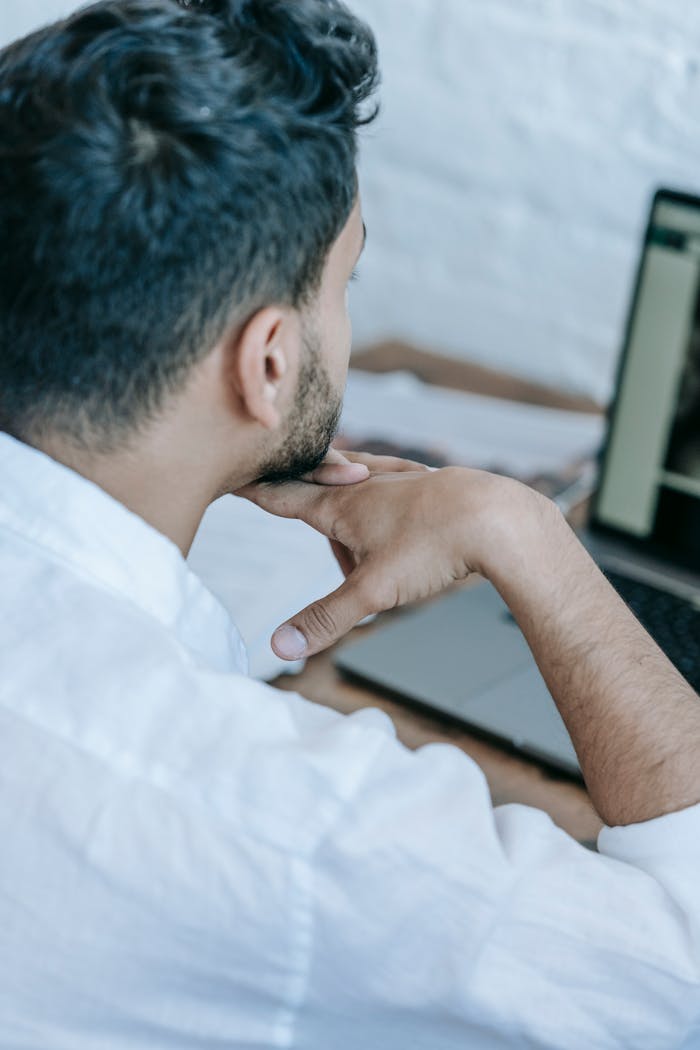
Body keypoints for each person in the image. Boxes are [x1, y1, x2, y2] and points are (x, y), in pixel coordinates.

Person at [0, 0, 698, 1046]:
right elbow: (680, 973)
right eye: (347, 282)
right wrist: (525, 535)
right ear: (269, 362)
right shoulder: (280, 827)